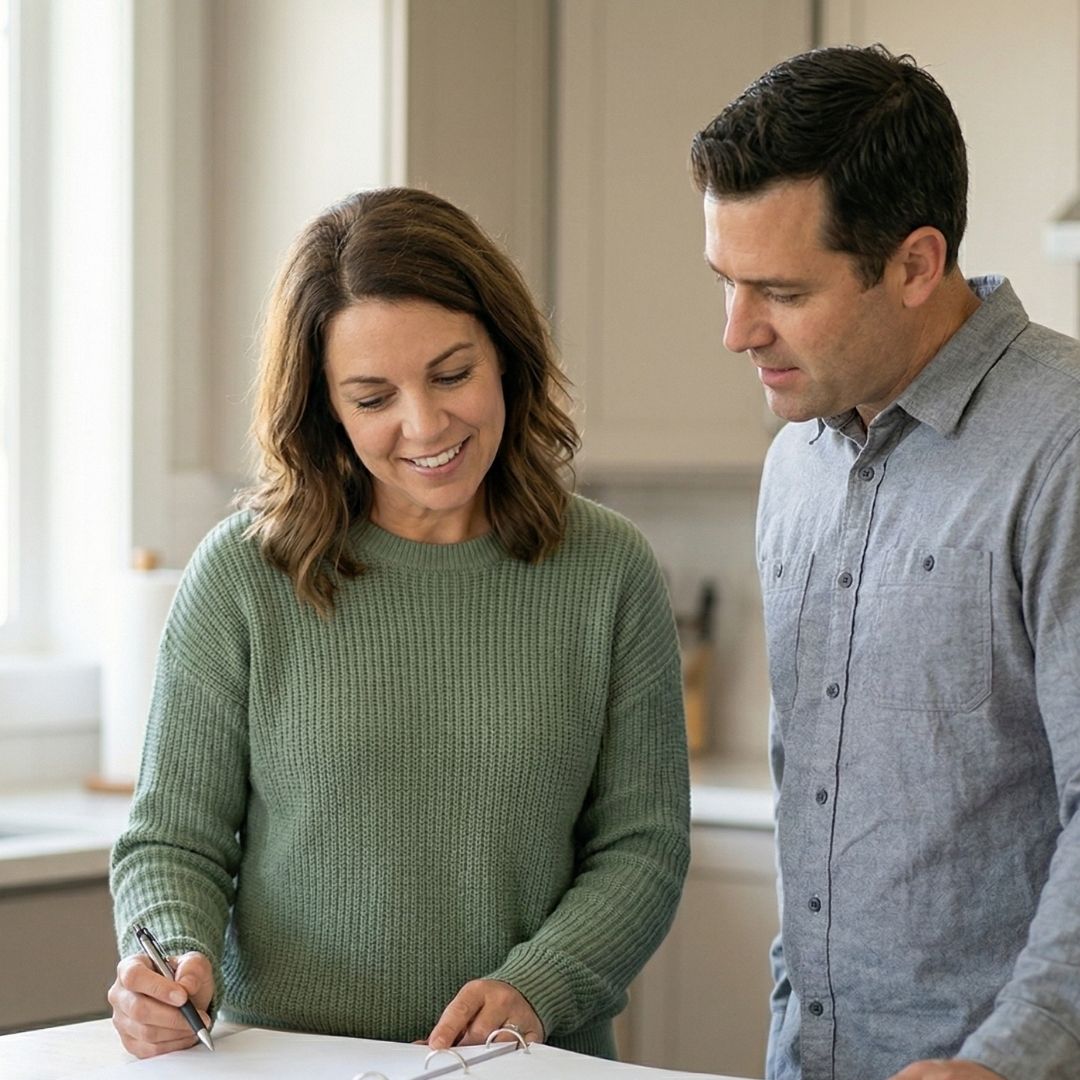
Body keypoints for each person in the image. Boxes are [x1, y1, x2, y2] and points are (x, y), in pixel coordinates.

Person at [107, 187, 690, 1060]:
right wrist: (168, 955)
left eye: (453, 374)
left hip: (525, 1069)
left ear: (507, 356)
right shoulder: (241, 577)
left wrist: (541, 982)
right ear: (327, 410)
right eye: (374, 396)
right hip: (287, 1063)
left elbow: (642, 846)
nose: (425, 424)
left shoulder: (610, 573)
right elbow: (172, 837)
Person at [689, 44, 1080, 1080]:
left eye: (779, 289)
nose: (736, 332)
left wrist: (1007, 1058)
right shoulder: (794, 470)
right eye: (726, 282)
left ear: (915, 263)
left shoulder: (1065, 448)